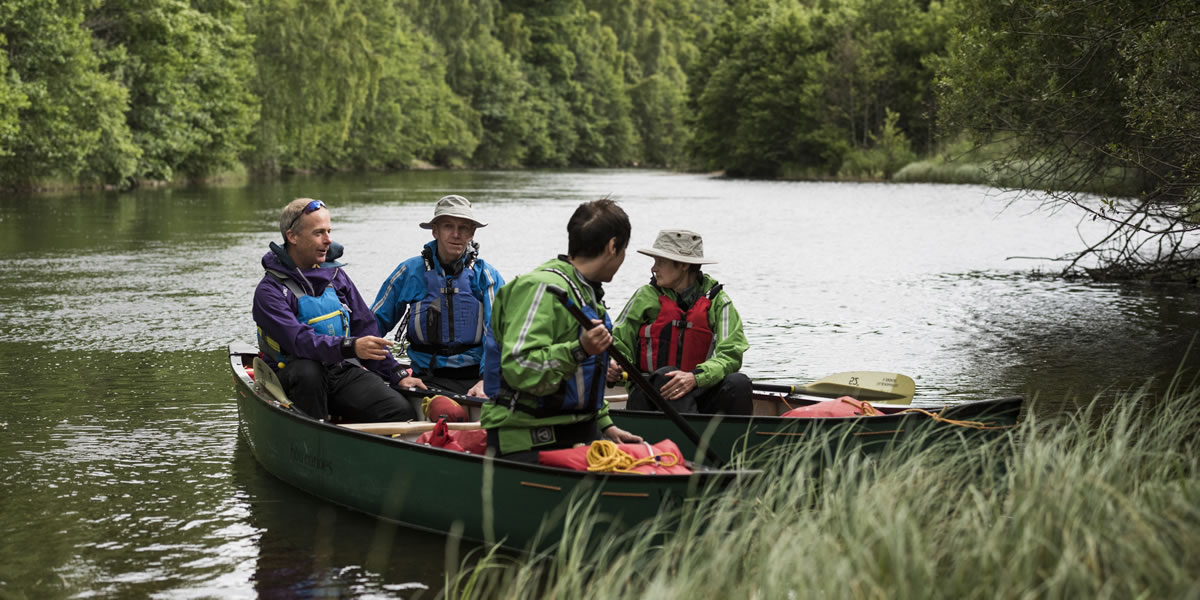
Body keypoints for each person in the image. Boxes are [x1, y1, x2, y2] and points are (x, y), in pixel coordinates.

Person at [480, 199, 642, 462]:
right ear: (613, 246)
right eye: (624, 249)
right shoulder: (540, 289)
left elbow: (583, 376)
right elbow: (520, 367)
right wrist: (580, 349)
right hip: (528, 439)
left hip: (580, 430)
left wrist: (605, 424)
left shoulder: (586, 292)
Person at [253, 197, 421, 422]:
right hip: (293, 376)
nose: (328, 241)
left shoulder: (336, 276)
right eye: (318, 233)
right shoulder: (269, 291)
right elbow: (299, 341)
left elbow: (364, 328)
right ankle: (313, 435)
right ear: (292, 237)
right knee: (308, 372)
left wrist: (396, 374)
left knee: (400, 411)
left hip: (339, 370)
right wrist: (350, 346)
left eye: (329, 231)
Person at [372, 195, 505, 403]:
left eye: (463, 228)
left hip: (475, 379)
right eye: (448, 226)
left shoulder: (486, 276)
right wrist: (393, 370)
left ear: (472, 233)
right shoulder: (409, 272)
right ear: (435, 230)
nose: (456, 234)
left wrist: (486, 379)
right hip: (426, 378)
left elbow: (499, 334)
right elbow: (372, 325)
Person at [609, 229, 752, 415]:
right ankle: (690, 440)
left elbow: (731, 354)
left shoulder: (719, 301)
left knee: (738, 383)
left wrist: (695, 377)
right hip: (649, 396)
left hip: (700, 392)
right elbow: (618, 341)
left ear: (683, 265)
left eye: (660, 262)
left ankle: (733, 440)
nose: (653, 268)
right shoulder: (644, 297)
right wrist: (614, 364)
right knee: (666, 374)